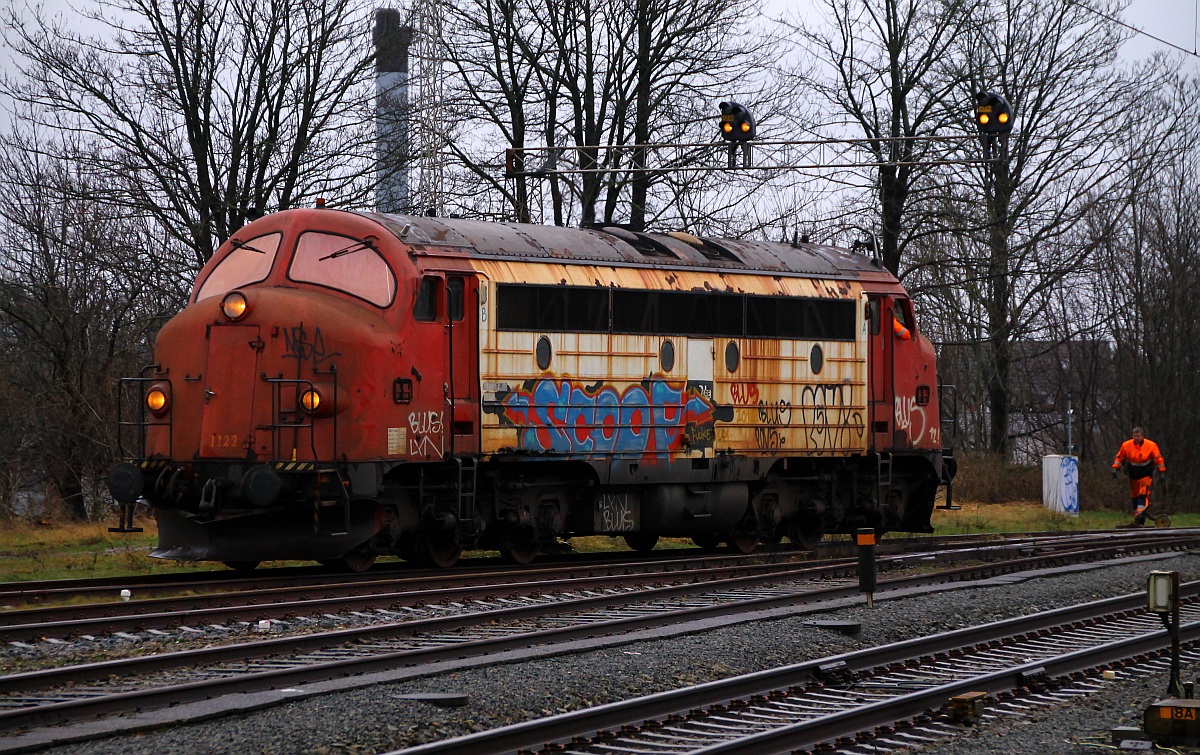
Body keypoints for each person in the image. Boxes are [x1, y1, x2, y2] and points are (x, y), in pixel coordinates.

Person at [1112, 427, 1166, 527]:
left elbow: (1158, 459)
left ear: (1142, 436)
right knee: (1135, 496)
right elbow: (1119, 457)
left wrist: (1162, 472)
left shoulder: (1151, 445)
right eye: (1134, 436)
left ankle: (1140, 513)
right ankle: (1139, 517)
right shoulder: (1126, 445)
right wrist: (1115, 468)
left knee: (1143, 494)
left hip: (1146, 473)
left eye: (1138, 436)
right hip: (1133, 474)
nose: (1136, 438)